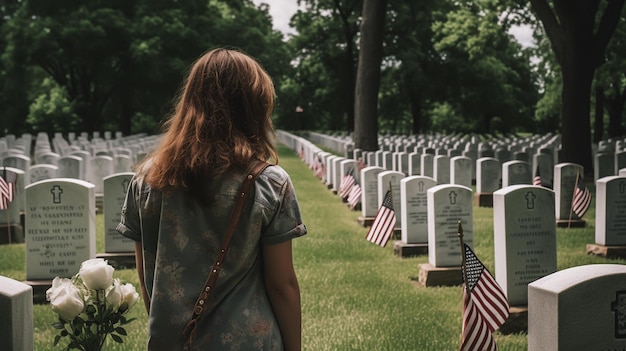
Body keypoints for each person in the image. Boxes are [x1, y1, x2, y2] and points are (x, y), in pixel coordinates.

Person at [117, 48, 307, 350]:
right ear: (253, 107)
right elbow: (281, 285)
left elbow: (147, 278)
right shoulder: (269, 183)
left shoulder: (146, 180)